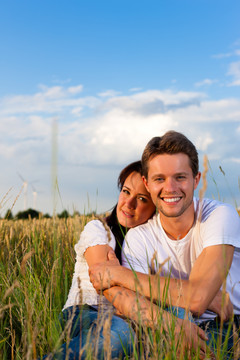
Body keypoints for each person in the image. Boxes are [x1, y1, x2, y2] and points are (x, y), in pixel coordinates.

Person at [89, 130, 240, 359]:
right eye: (159, 178)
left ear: (196, 180)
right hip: (170, 325)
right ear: (147, 183)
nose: (170, 188)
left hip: (229, 325)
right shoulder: (139, 237)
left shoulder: (219, 215)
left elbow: (198, 300)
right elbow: (132, 307)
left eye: (180, 177)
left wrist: (119, 274)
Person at [40, 161, 156, 360]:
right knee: (119, 333)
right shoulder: (98, 229)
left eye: (142, 198)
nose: (129, 203)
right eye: (126, 192)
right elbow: (103, 282)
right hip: (82, 314)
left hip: (130, 319)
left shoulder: (152, 245)